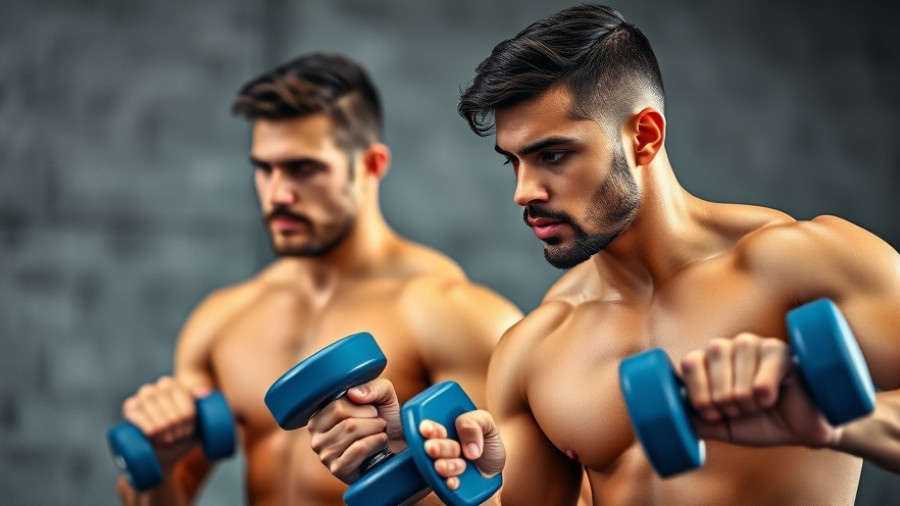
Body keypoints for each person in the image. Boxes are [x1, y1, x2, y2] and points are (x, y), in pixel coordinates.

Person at [311, 5, 900, 505]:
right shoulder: (534, 349)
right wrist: (417, 467)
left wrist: (840, 419)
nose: (524, 192)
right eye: (514, 161)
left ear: (644, 136)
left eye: (554, 155)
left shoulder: (800, 265)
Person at [114, 52, 522, 506]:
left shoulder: (455, 315)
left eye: (303, 168)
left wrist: (398, 469)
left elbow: (525, 497)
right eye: (264, 169)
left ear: (370, 166)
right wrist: (160, 462)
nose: (277, 194)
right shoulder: (221, 320)